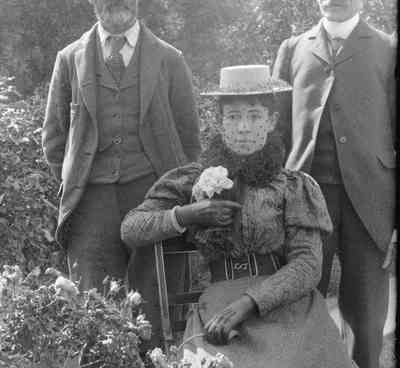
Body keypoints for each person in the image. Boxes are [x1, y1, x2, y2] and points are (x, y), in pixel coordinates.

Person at [121, 65, 355, 368]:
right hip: (218, 307)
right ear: (219, 122)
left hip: (287, 308)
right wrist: (186, 215)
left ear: (271, 121)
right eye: (233, 117)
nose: (243, 127)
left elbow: (308, 265)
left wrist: (249, 302)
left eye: (255, 116)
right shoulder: (190, 180)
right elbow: (132, 228)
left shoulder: (294, 186)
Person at [41, 0, 201, 297]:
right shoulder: (69, 60)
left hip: (156, 200)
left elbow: (189, 141)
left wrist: (172, 195)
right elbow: (55, 141)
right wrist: (80, 181)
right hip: (90, 209)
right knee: (95, 308)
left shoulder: (170, 59)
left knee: (159, 304)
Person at [272, 0, 396, 367]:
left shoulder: (387, 50)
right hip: (305, 205)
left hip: (371, 208)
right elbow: (276, 137)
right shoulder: (293, 49)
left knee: (368, 321)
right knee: (300, 311)